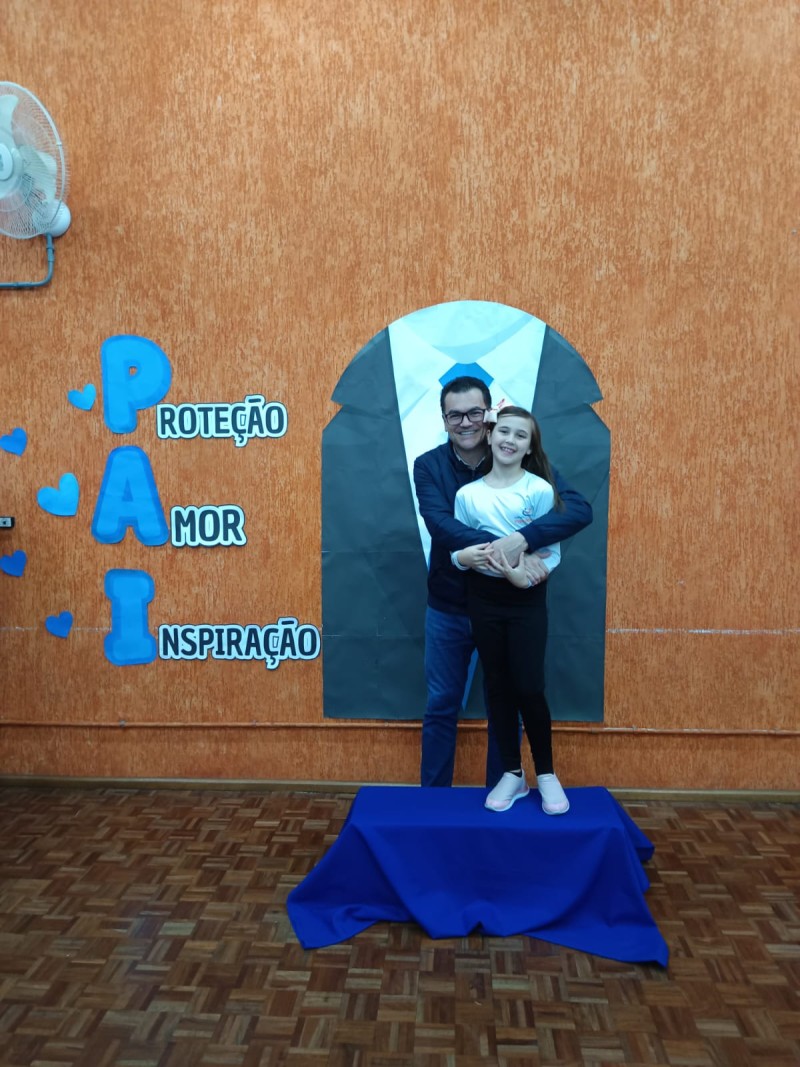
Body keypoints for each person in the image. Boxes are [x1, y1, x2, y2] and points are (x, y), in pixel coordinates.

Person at [413, 378, 593, 789]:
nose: (466, 423)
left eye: (475, 413)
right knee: (441, 703)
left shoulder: (517, 456)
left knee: (508, 702)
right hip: (449, 605)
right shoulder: (428, 466)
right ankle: (433, 800)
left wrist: (524, 538)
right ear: (444, 420)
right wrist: (505, 547)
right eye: (455, 415)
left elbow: (578, 509)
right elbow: (440, 525)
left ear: (490, 414)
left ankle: (505, 787)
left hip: (508, 605)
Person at [452, 405, 571, 814]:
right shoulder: (467, 495)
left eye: (521, 435)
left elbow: (550, 553)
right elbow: (455, 551)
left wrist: (524, 578)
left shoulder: (539, 491)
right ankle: (513, 773)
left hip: (526, 600)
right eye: (504, 431)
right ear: (489, 435)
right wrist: (463, 558)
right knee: (498, 686)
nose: (510, 440)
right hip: (482, 600)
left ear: (529, 447)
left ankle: (547, 774)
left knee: (529, 686)